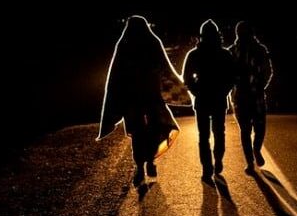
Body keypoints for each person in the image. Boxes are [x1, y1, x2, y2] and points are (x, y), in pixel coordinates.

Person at [96, 15, 189, 186]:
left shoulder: (124, 44)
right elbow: (164, 69)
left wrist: (115, 100)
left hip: (132, 99)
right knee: (154, 129)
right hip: (150, 97)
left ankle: (140, 166)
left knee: (138, 133)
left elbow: (116, 76)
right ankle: (148, 162)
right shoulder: (152, 42)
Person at [182, 19, 235, 182]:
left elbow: (186, 78)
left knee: (203, 135)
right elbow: (232, 77)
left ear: (202, 36)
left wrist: (196, 91)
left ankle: (207, 167)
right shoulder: (225, 54)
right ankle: (217, 160)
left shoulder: (194, 54)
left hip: (203, 99)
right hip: (218, 99)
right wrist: (224, 91)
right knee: (219, 133)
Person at [229, 21, 273, 175]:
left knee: (259, 128)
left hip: (255, 95)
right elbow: (227, 74)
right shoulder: (232, 52)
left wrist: (261, 85)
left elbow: (268, 71)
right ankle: (249, 162)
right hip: (240, 96)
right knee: (246, 130)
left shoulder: (260, 50)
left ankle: (256, 149)